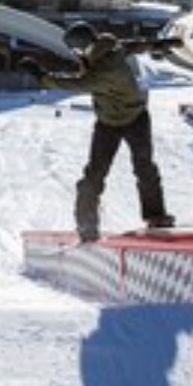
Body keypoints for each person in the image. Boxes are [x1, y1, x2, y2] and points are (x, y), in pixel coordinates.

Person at [20, 22, 182, 241]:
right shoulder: (110, 48)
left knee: (137, 168)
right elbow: (133, 46)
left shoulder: (105, 70)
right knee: (100, 173)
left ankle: (154, 216)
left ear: (86, 46)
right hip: (110, 121)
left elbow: (76, 83)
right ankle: (88, 224)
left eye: (76, 50)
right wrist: (158, 44)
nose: (76, 55)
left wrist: (41, 76)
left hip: (133, 120)